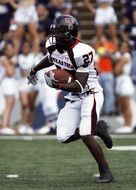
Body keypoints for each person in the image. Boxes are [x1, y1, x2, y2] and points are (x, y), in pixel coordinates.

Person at [27, 15, 114, 183]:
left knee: (85, 135)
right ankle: (98, 129)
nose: (55, 35)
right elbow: (51, 58)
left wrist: (56, 85)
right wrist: (34, 69)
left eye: (59, 32)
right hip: (74, 97)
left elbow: (80, 85)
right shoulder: (53, 45)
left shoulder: (83, 52)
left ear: (70, 34)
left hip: (90, 93)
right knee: (63, 136)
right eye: (55, 31)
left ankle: (106, 172)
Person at [114, 41, 134, 133]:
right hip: (120, 81)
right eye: (121, 46)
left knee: (126, 105)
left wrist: (117, 62)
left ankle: (128, 125)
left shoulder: (126, 56)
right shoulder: (121, 57)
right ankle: (126, 124)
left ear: (128, 49)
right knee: (123, 106)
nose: (122, 48)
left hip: (124, 81)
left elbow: (117, 71)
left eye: (124, 47)